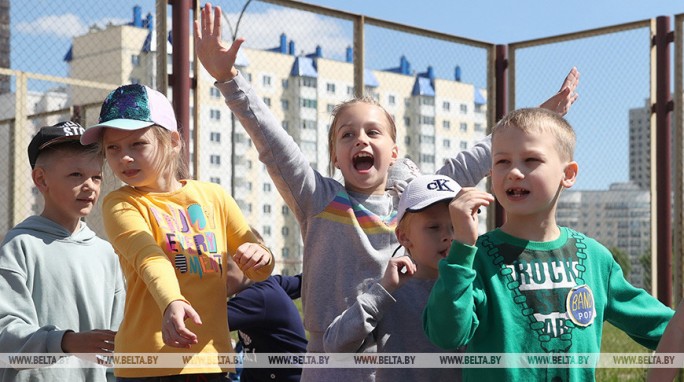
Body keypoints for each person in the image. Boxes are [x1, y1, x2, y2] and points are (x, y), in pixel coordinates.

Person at [194, 4, 578, 380]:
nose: (360, 138)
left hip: (400, 355)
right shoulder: (318, 199)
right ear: (336, 157)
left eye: (373, 132)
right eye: (347, 134)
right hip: (331, 359)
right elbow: (273, 143)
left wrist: (537, 122)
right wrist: (229, 80)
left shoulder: (413, 201)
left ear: (394, 152)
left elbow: (472, 160)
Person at [422, 107, 675, 381]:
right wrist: (461, 249)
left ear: (568, 174)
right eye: (502, 161)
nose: (514, 172)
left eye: (531, 159)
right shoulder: (475, 256)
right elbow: (446, 334)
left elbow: (666, 328)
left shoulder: (594, 258)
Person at [80, 84, 275, 380]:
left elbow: (260, 267)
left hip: (211, 359)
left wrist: (261, 256)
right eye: (113, 148)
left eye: (138, 144)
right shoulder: (120, 203)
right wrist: (173, 301)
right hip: (147, 362)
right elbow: (149, 257)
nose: (124, 158)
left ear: (173, 141)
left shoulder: (215, 196)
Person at [0, 121, 125, 382]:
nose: (90, 186)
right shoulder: (19, 246)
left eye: (96, 176)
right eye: (76, 175)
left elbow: (117, 346)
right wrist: (66, 342)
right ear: (41, 179)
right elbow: (5, 337)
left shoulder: (107, 254)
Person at [324, 174, 465, 381]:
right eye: (434, 227)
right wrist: (381, 292)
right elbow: (335, 347)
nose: (448, 235)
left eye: (456, 226)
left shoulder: (473, 287)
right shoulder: (389, 290)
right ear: (404, 237)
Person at [225, 228, 307, 382]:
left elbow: (209, 323)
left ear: (249, 265)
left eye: (225, 268)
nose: (218, 276)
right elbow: (302, 282)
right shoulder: (271, 285)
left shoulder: (255, 298)